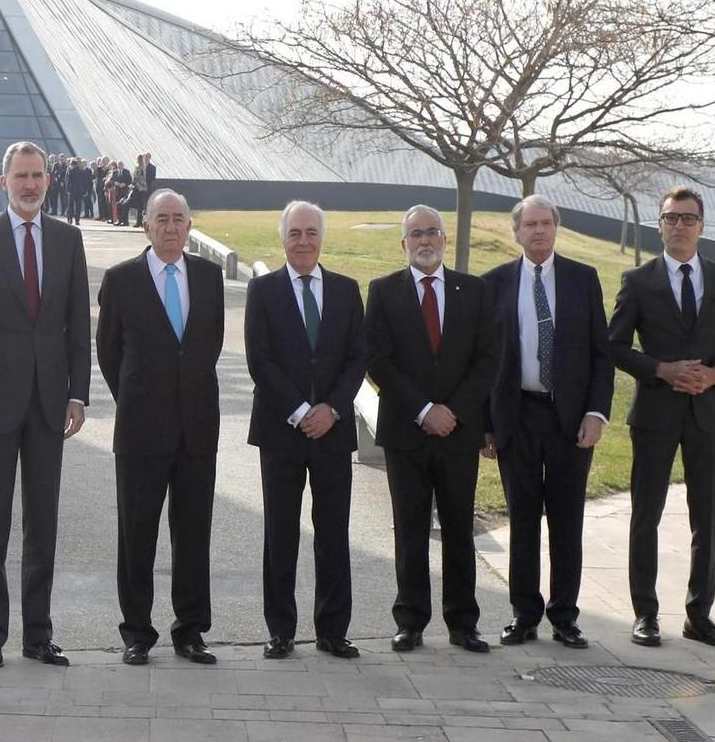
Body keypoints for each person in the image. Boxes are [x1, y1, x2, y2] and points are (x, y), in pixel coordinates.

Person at [0, 141, 90, 667]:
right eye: (21, 176)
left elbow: (78, 323)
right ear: (3, 180)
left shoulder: (67, 240)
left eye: (38, 176)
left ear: (48, 182)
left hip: (50, 406)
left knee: (43, 522)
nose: (30, 184)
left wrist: (78, 392)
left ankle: (38, 634)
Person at [609, 186, 715, 650]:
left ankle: (699, 615)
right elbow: (612, 346)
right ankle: (645, 614)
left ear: (702, 226)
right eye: (671, 218)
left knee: (706, 518)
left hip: (708, 416)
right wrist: (660, 369)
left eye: (688, 219)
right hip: (654, 414)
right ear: (659, 224)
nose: (679, 226)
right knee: (645, 515)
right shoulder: (638, 281)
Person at [96, 188, 223, 666]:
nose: (171, 227)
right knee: (137, 535)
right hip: (140, 431)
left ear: (189, 226)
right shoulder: (122, 279)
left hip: (196, 431)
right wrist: (139, 397)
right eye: (161, 219)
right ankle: (137, 633)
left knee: (193, 534)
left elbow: (206, 346)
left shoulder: (208, 278)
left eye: (178, 219)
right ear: (145, 226)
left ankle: (190, 631)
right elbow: (109, 352)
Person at [365, 204, 499, 653]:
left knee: (460, 528)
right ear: (403, 244)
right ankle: (411, 621)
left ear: (445, 239)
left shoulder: (474, 291)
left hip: (458, 433)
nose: (425, 240)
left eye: (433, 233)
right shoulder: (383, 292)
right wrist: (424, 410)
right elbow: (378, 360)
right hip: (406, 431)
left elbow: (487, 361)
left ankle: (463, 623)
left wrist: (453, 411)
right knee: (410, 527)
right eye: (416, 234)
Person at [480, 195, 612, 650]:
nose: (539, 231)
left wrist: (596, 413)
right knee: (522, 520)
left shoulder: (582, 279)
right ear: (515, 232)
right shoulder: (494, 283)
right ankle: (524, 614)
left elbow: (601, 354)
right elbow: (483, 361)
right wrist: (486, 424)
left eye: (546, 223)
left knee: (566, 520)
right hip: (516, 415)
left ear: (557, 229)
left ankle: (565, 616)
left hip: (570, 418)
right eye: (530, 224)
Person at [243, 200, 368, 660]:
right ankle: (281, 629)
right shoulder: (264, 290)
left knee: (334, 531)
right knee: (281, 533)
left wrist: (332, 409)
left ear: (322, 237)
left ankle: (333, 630)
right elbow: (260, 359)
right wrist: (300, 410)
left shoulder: (345, 289)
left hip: (333, 432)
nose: (303, 241)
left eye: (311, 232)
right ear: (282, 239)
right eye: (294, 233)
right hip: (281, 431)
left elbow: (358, 356)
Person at [65, 158, 91, 226]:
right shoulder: (82, 171)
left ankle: (70, 219)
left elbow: (68, 181)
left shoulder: (70, 171)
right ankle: (77, 220)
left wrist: (67, 190)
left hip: (72, 191)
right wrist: (85, 191)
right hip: (80, 191)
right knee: (78, 206)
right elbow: (85, 182)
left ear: (71, 164)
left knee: (70, 206)